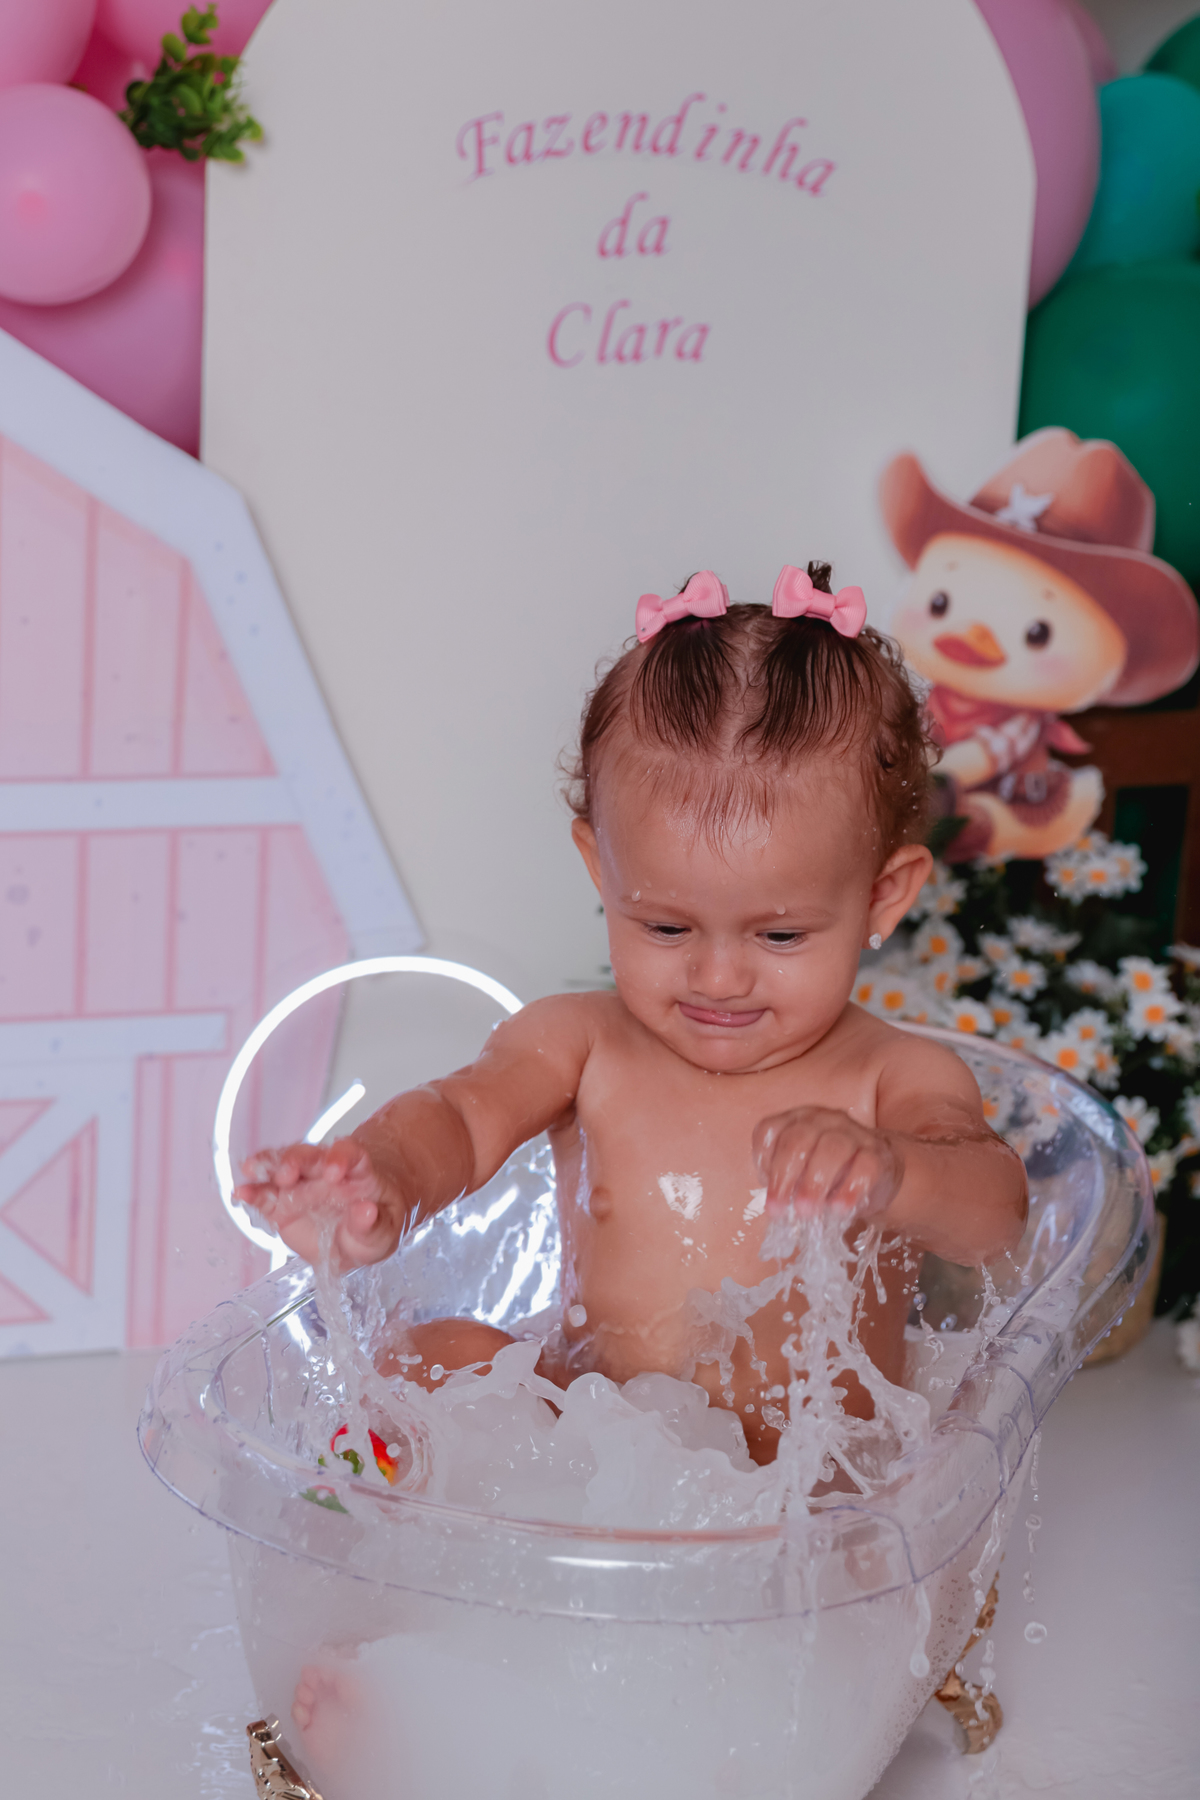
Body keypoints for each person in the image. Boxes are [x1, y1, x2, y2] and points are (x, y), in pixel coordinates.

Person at [237, 561, 1027, 1469]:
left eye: (779, 935)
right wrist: (380, 1181)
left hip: (801, 1485)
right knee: (427, 1354)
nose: (717, 977)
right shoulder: (580, 1043)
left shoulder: (893, 1079)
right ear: (600, 866)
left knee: (849, 1492)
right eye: (665, 926)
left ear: (884, 896)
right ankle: (395, 1515)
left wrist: (894, 1172)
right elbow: (458, 1116)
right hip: (600, 1457)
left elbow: (994, 1213)